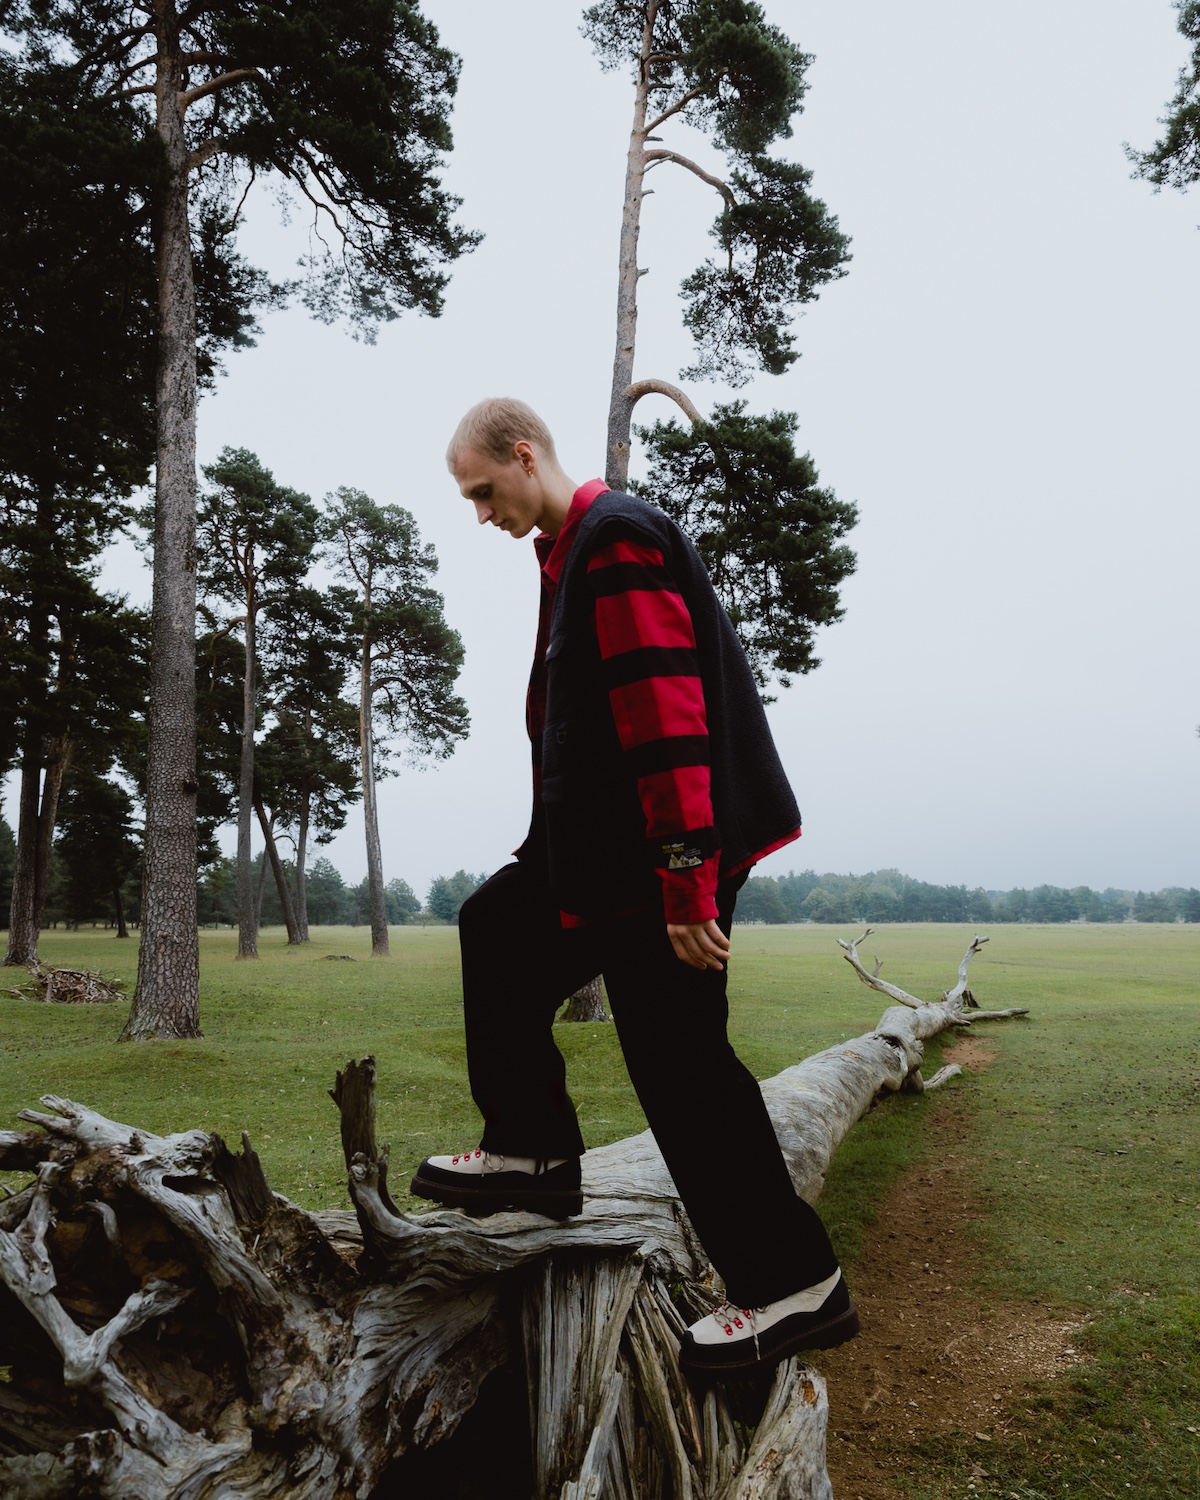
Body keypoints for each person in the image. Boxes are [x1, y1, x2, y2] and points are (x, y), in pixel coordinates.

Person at [410, 397, 858, 1381]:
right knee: (498, 928)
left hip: (662, 864)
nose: (481, 514)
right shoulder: (572, 551)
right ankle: (533, 1152)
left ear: (524, 455)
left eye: (484, 491)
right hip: (605, 863)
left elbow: (665, 712)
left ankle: (795, 1283)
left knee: (681, 1065)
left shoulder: (614, 540)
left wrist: (689, 879)